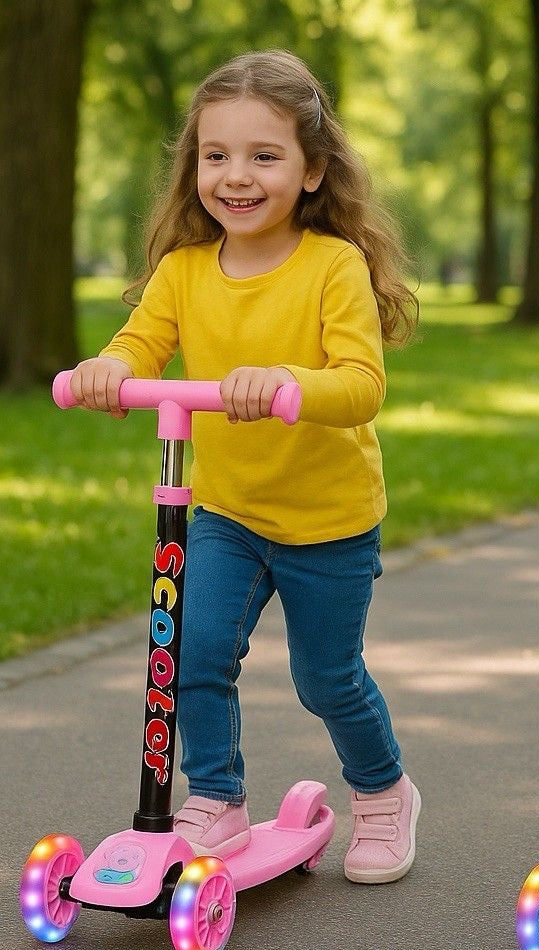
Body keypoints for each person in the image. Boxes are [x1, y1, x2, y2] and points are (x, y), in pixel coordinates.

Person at [68, 50, 420, 884]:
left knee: (326, 680)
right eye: (216, 155)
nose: (236, 175)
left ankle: (383, 791)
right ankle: (216, 796)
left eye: (264, 156)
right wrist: (110, 370)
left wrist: (288, 382)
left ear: (312, 170)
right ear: (193, 166)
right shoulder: (185, 271)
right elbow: (140, 342)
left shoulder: (331, 265)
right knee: (187, 652)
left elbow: (361, 384)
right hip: (227, 511)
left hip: (328, 519)